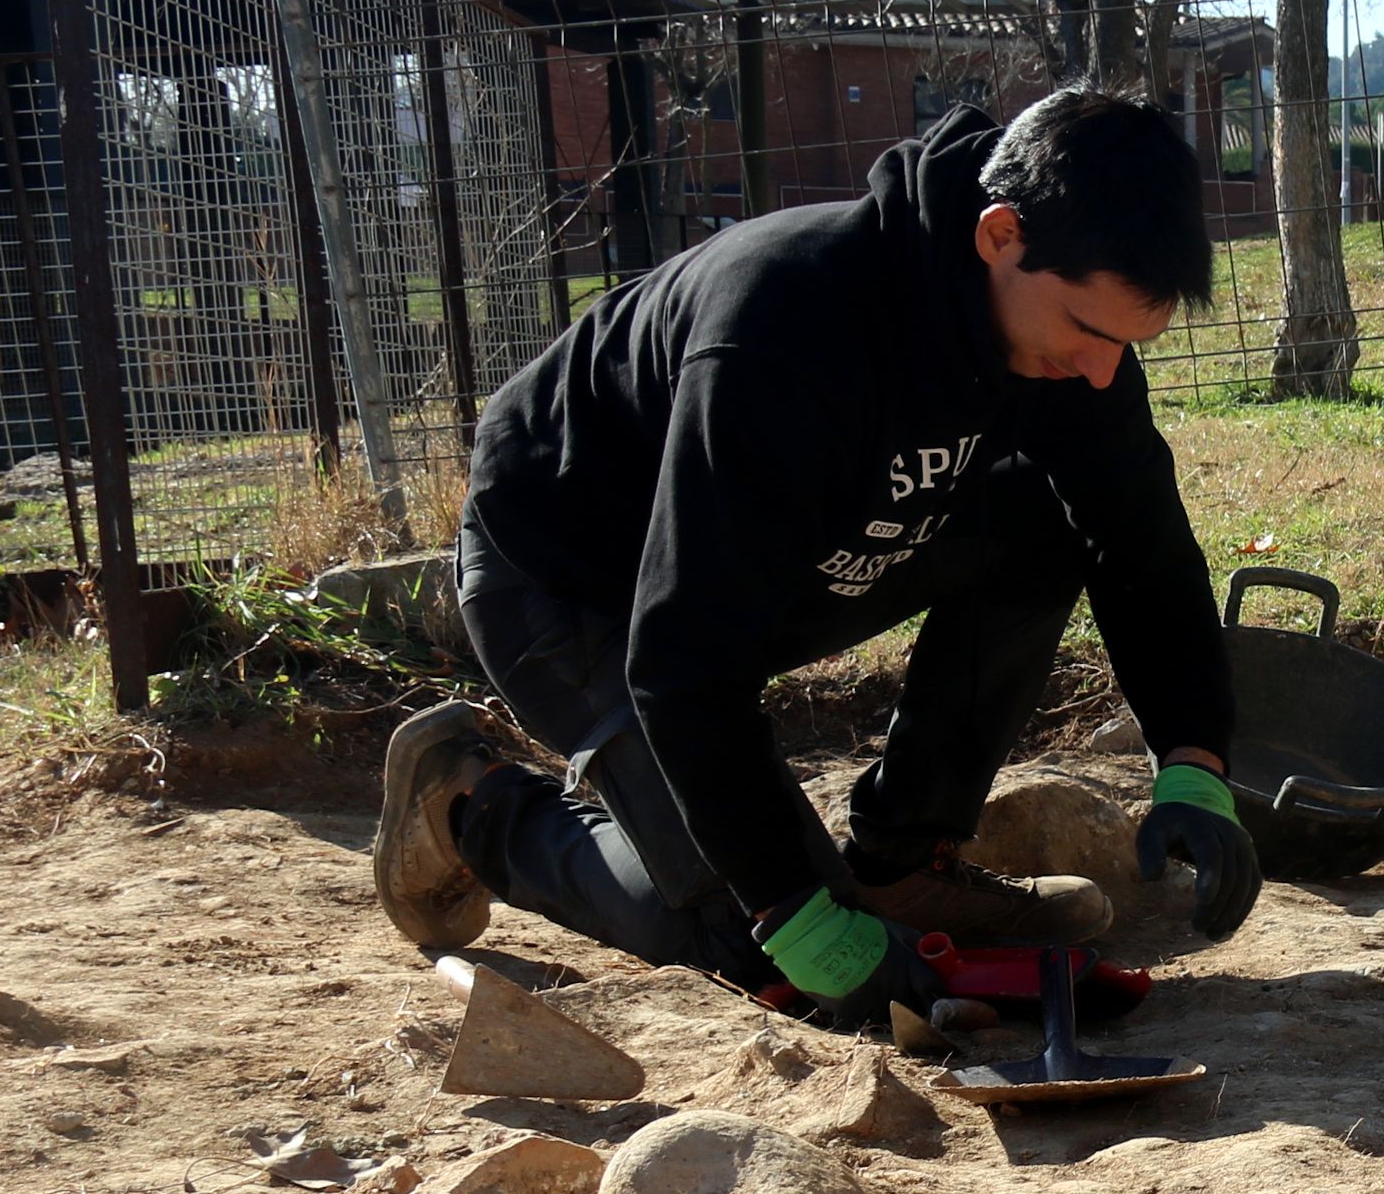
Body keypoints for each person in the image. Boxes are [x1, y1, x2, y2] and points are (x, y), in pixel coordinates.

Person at [368, 83, 1262, 1025]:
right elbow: (682, 662)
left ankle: (904, 865)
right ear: (1001, 235)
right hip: (571, 579)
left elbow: (1141, 543)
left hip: (772, 554)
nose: (1103, 372)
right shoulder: (785, 326)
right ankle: (477, 808)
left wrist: (1194, 755)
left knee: (1041, 527)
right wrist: (796, 917)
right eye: (1091, 333)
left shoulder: (1065, 328)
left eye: (1129, 343)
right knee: (758, 950)